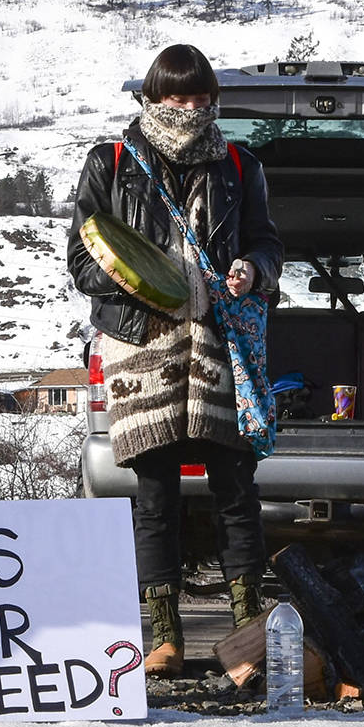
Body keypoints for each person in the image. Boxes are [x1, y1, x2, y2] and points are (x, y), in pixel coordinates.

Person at [66, 44, 283, 678]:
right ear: (152, 97)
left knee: (237, 493)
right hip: (140, 346)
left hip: (220, 344)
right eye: (177, 96)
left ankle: (248, 643)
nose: (190, 108)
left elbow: (267, 241)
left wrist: (254, 269)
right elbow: (82, 257)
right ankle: (164, 640)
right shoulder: (108, 162)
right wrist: (138, 280)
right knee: (154, 497)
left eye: (201, 97)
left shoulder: (240, 165)